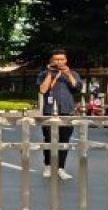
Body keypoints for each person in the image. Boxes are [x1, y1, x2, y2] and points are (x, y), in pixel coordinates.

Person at [35, 49, 81, 179]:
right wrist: (50, 73)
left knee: (64, 141)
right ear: (51, 61)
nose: (59, 62)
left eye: (62, 59)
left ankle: (61, 168)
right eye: (56, 59)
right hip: (49, 112)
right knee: (49, 140)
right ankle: (48, 166)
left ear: (66, 60)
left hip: (67, 111)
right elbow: (43, 90)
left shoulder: (73, 73)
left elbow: (77, 88)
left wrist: (68, 74)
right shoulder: (44, 74)